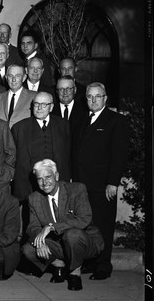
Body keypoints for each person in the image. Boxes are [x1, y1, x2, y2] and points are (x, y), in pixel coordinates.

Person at [71, 82, 128, 280]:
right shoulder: (81, 119)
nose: (93, 100)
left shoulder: (115, 120)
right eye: (90, 97)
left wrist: (113, 182)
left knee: (103, 226)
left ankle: (103, 265)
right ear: (85, 98)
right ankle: (91, 261)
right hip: (81, 185)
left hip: (103, 186)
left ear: (105, 98)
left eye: (98, 96)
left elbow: (119, 154)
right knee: (87, 224)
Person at [22, 159, 104, 291]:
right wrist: (39, 242)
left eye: (48, 177)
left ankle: (75, 272)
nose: (44, 183)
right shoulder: (33, 198)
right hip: (58, 244)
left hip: (84, 241)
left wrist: (52, 227)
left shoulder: (77, 189)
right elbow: (32, 227)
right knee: (28, 250)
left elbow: (84, 219)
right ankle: (59, 265)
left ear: (57, 176)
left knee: (72, 234)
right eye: (40, 179)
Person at [11, 92, 71, 203]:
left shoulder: (63, 125)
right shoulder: (19, 128)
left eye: (44, 104)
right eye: (36, 104)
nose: (39, 108)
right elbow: (12, 158)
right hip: (27, 185)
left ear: (51, 107)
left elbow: (68, 154)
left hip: (57, 184)